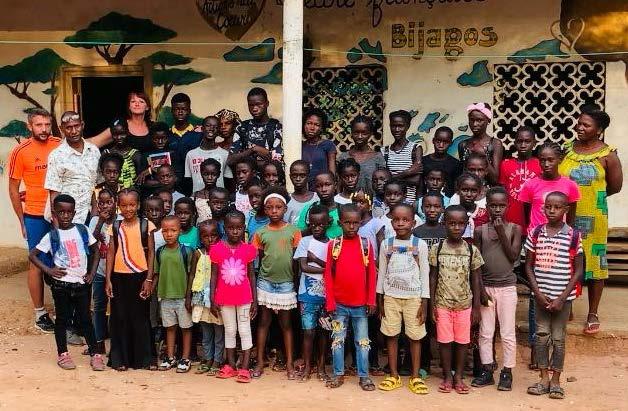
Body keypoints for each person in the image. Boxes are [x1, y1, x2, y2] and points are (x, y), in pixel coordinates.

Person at [559, 107, 623, 335]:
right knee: (565, 260)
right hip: (565, 215)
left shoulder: (608, 155)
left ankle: (592, 312)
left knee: (594, 263)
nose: (579, 127)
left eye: (586, 125)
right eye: (579, 123)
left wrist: (591, 198)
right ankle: (567, 305)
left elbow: (615, 187)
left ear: (599, 130)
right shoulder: (567, 149)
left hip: (595, 217)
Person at [29, 194, 104, 371]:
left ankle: (95, 354)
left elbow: (96, 251)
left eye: (69, 212)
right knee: (62, 320)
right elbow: (32, 255)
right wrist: (49, 270)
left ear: (74, 213)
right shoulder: (52, 236)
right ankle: (63, 354)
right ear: (54, 213)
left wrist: (92, 273)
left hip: (81, 285)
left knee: (86, 320)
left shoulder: (82, 230)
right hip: (61, 286)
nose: (65, 216)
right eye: (61, 212)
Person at [525, 192, 583, 400]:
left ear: (566, 210)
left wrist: (562, 298)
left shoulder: (573, 235)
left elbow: (578, 270)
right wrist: (537, 293)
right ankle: (543, 379)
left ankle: (556, 380)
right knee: (541, 336)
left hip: (562, 299)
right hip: (540, 297)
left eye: (557, 207)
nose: (551, 211)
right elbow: (528, 266)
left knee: (558, 338)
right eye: (548, 207)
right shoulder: (536, 233)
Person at [8, 108, 60, 332]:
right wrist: (22, 221)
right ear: (29, 126)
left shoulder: (60, 144)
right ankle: (40, 314)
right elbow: (13, 188)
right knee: (36, 262)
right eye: (39, 125)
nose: (44, 129)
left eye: (47, 124)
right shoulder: (20, 151)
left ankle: (64, 309)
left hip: (59, 214)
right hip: (35, 215)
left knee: (62, 259)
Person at [429, 205, 483, 394]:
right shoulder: (437, 249)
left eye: (461, 224)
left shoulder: (471, 250)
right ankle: (447, 376)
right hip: (442, 303)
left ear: (466, 225)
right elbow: (433, 277)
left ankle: (458, 376)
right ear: (444, 224)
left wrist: (476, 307)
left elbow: (476, 279)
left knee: (462, 342)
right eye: (452, 223)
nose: (456, 227)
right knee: (444, 341)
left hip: (464, 305)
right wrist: (431, 305)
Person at [472, 186, 522, 391]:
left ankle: (507, 371)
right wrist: (481, 290)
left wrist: (501, 232)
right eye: (493, 206)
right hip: (487, 287)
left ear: (508, 206)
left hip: (507, 287)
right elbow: (476, 264)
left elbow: (513, 257)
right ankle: (487, 369)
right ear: (487, 206)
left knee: (508, 333)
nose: (498, 209)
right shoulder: (480, 231)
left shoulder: (515, 229)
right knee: (486, 332)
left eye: (502, 205)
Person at [376, 204, 430, 394]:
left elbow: (424, 275)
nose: (401, 223)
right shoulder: (386, 244)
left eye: (405, 220)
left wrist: (424, 302)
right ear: (391, 223)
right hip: (391, 297)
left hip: (414, 298)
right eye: (397, 220)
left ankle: (415, 376)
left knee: (415, 336)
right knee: (391, 335)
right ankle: (394, 375)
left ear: (413, 223)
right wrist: (380, 299)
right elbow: (382, 273)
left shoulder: (420, 245)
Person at [323, 204, 377, 391]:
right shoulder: (334, 245)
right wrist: (330, 302)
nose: (351, 226)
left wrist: (371, 300)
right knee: (338, 340)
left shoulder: (366, 245)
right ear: (340, 223)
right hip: (339, 305)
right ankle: (338, 374)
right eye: (347, 223)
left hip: (361, 305)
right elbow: (328, 275)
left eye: (355, 223)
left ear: (361, 222)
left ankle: (364, 376)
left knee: (362, 341)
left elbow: (372, 274)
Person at [251, 188, 302, 379]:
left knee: (286, 325)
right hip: (265, 283)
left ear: (285, 209)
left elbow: (296, 262)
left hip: (287, 284)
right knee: (263, 323)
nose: (274, 211)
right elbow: (260, 259)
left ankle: (289, 364)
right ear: (265, 209)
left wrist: (295, 285)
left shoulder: (294, 232)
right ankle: (259, 362)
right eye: (270, 207)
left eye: (278, 207)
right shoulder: (260, 233)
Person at [106, 189, 155, 371]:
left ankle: (144, 359)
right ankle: (120, 359)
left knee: (140, 317)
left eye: (132, 205)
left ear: (138, 205)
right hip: (119, 277)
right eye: (124, 205)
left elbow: (151, 253)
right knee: (120, 317)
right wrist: (108, 279)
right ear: (118, 207)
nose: (128, 209)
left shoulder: (146, 225)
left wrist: (148, 279)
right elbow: (111, 252)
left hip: (140, 276)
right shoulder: (115, 226)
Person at [210, 210, 258, 383]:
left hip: (245, 298)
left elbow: (252, 276)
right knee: (229, 330)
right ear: (225, 228)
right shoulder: (216, 249)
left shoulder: (248, 250)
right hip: (224, 298)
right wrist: (212, 298)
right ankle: (230, 365)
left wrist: (255, 300)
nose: (235, 231)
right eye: (231, 228)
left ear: (244, 228)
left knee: (244, 330)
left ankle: (245, 367)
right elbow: (213, 276)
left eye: (239, 228)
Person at [150, 216, 194, 373]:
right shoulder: (160, 252)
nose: (169, 234)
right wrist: (151, 289)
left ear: (180, 231)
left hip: (182, 298)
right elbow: (156, 273)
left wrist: (189, 297)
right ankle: (170, 357)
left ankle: (185, 358)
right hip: (165, 297)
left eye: (173, 230)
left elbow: (191, 275)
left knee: (186, 328)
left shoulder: (186, 251)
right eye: (165, 231)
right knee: (169, 327)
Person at [294, 205, 331, 381]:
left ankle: (321, 367)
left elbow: (334, 269)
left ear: (328, 223)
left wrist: (315, 259)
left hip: (326, 296)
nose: (317, 228)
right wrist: (326, 269)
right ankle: (308, 366)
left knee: (324, 332)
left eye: (321, 224)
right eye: (313, 224)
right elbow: (303, 266)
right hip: (307, 295)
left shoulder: (332, 243)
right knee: (308, 331)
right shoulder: (305, 241)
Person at [45, 111, 101, 224]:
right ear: (61, 129)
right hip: (67, 218)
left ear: (82, 125)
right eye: (69, 128)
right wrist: (57, 226)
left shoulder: (94, 151)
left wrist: (95, 213)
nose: (74, 131)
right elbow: (54, 194)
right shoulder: (56, 155)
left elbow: (97, 185)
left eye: (77, 126)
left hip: (91, 214)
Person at [519, 143, 580, 234]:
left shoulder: (570, 185)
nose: (546, 164)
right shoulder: (530, 185)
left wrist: (563, 236)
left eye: (550, 160)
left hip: (560, 237)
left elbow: (570, 219)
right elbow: (527, 216)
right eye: (542, 160)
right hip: (536, 236)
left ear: (559, 160)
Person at [188, 221, 224, 375]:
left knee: (219, 331)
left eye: (213, 235)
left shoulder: (222, 252)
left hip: (217, 298)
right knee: (206, 331)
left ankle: (217, 360)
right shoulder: (198, 253)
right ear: (201, 238)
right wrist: (188, 296)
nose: (210, 239)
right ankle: (208, 358)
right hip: (201, 298)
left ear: (219, 236)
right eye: (205, 236)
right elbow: (191, 274)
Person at [88, 188, 118, 353]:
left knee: (116, 309)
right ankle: (98, 342)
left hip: (116, 273)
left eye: (109, 202)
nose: (105, 206)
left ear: (115, 203)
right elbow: (91, 242)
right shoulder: (94, 220)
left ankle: (116, 345)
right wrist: (100, 221)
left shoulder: (121, 220)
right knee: (99, 306)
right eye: (101, 203)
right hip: (100, 271)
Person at [228, 87, 283, 174]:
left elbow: (277, 162)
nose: (254, 108)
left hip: (268, 180)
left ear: (267, 103)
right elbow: (230, 160)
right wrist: (253, 150)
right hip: (245, 181)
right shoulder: (242, 127)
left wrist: (245, 160)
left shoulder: (276, 127)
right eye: (251, 105)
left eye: (258, 104)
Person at [381, 110, 423, 203]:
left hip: (409, 203)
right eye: (393, 126)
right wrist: (408, 172)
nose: (396, 129)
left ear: (407, 126)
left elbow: (416, 180)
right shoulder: (384, 151)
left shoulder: (415, 148)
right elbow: (384, 181)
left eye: (400, 126)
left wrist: (392, 177)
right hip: (390, 202)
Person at [458, 102, 504, 184]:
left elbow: (495, 179)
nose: (475, 124)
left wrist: (483, 154)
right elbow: (463, 174)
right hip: (468, 189)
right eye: (472, 120)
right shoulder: (463, 145)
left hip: (488, 190)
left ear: (488, 120)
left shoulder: (495, 144)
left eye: (479, 120)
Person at [185, 115, 233, 192]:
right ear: (202, 129)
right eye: (208, 126)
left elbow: (228, 181)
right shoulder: (191, 154)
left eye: (215, 127)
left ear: (218, 130)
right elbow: (188, 181)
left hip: (218, 197)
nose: (211, 129)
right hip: (197, 197)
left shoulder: (225, 154)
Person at [338, 115, 385, 190]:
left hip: (372, 197)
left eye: (364, 133)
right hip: (349, 197)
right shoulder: (344, 157)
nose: (360, 136)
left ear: (370, 134)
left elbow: (383, 183)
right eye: (356, 133)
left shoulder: (378, 157)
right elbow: (339, 184)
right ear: (351, 133)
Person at [296, 172, 343, 239]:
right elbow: (298, 236)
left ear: (335, 185)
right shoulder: (309, 209)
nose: (323, 189)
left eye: (327, 185)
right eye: (319, 186)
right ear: (315, 188)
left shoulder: (343, 210)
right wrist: (316, 225)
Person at [302, 108, 336, 187]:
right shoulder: (300, 146)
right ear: (304, 125)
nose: (312, 128)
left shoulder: (328, 145)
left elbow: (332, 173)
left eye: (317, 125)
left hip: (322, 188)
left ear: (321, 128)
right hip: (304, 189)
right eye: (309, 123)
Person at [422, 126, 461, 196]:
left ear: (451, 143)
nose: (441, 145)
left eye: (445, 142)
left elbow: (456, 187)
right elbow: (420, 185)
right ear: (433, 141)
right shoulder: (424, 161)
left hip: (447, 200)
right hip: (425, 200)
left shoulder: (456, 164)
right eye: (438, 141)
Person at [102, 119, 141, 189]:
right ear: (111, 134)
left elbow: (140, 178)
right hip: (111, 193)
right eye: (115, 134)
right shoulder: (106, 154)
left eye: (122, 134)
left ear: (128, 132)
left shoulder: (135, 154)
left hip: (132, 193)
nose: (119, 137)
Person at [452, 173, 488, 241]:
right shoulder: (450, 213)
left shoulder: (485, 214)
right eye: (464, 190)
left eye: (474, 191)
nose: (469, 194)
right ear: (457, 190)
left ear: (479, 192)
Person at [284, 160, 318, 225]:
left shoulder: (317, 199)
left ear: (308, 177)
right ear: (290, 177)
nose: (298, 179)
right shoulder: (286, 200)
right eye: (294, 176)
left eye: (302, 176)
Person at [91, 152, 123, 217]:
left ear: (120, 173)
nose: (112, 175)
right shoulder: (97, 191)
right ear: (102, 173)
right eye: (108, 172)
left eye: (115, 172)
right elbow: (94, 216)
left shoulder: (124, 191)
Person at [192, 158, 221, 224]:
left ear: (218, 174)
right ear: (201, 174)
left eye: (213, 174)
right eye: (206, 174)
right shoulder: (196, 196)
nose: (209, 178)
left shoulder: (222, 195)